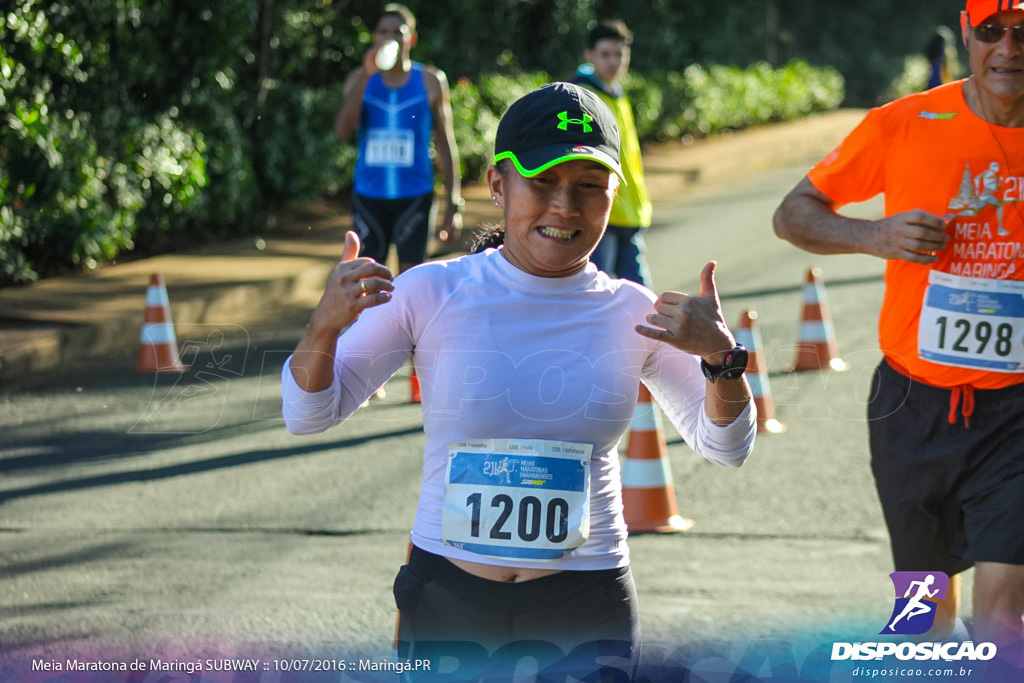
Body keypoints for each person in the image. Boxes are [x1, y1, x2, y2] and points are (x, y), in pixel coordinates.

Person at [283, 82, 756, 676]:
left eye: (590, 187)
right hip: (449, 597)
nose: (565, 206)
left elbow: (726, 447)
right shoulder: (429, 291)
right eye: (543, 181)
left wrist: (721, 358)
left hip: (585, 600)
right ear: (498, 184)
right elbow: (308, 414)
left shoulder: (635, 311)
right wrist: (322, 328)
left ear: (614, 195)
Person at [772, 0, 1024, 650]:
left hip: (1018, 409)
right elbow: (794, 212)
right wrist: (875, 233)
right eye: (992, 31)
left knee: (1003, 612)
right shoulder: (906, 123)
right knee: (925, 609)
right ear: (968, 33)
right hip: (911, 403)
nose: (1008, 48)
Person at [334, 3, 463, 274]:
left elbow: (445, 143)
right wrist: (366, 76)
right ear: (375, 38)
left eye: (398, 32)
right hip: (369, 197)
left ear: (411, 39)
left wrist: (453, 204)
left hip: (415, 196)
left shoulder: (430, 80)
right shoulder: (359, 79)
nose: (390, 37)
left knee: (411, 281)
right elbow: (343, 130)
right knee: (369, 280)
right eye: (383, 31)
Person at [572, 19, 654, 286]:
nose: (613, 61)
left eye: (619, 54)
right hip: (601, 213)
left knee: (641, 297)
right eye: (605, 54)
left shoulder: (618, 94)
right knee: (598, 292)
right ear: (589, 55)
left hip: (629, 211)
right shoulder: (582, 97)